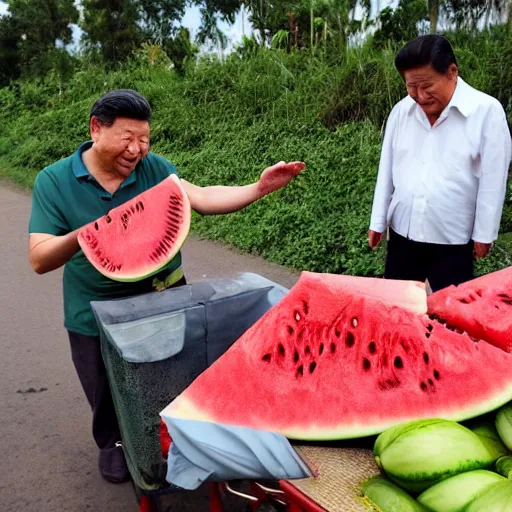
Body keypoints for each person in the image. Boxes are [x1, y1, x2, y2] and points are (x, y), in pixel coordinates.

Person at [28, 88, 306, 484]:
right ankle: (115, 444)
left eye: (144, 139)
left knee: (171, 376)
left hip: (163, 300)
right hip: (93, 312)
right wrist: (89, 235)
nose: (137, 149)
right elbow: (39, 257)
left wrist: (258, 188)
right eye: (127, 138)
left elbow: (202, 197)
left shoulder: (155, 169)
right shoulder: (54, 181)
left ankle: (172, 439)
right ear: (96, 129)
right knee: (105, 389)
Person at [368, 34, 511, 292]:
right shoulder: (401, 112)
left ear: (452, 72)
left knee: (451, 316)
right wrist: (378, 220)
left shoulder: (486, 112)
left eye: (427, 86)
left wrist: (484, 233)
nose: (420, 96)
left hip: (453, 240)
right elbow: (386, 167)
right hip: (403, 234)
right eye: (412, 87)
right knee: (398, 309)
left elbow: (494, 177)